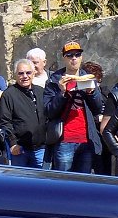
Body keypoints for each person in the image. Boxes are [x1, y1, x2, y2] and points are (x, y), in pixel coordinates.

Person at [44, 40, 104, 173]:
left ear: (81, 57)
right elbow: (49, 111)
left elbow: (98, 108)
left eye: (77, 55)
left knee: (83, 181)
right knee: (64, 180)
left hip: (86, 140)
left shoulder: (88, 78)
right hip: (64, 140)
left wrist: (91, 93)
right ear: (64, 58)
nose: (74, 58)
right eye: (70, 55)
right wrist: (62, 93)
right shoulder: (54, 80)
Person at [0, 59, 47, 168]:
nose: (25, 76)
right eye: (21, 73)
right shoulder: (9, 95)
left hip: (41, 149)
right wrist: (13, 143)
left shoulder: (41, 91)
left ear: (34, 73)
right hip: (19, 149)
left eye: (28, 72)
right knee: (20, 178)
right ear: (15, 74)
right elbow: (4, 121)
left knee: (41, 178)